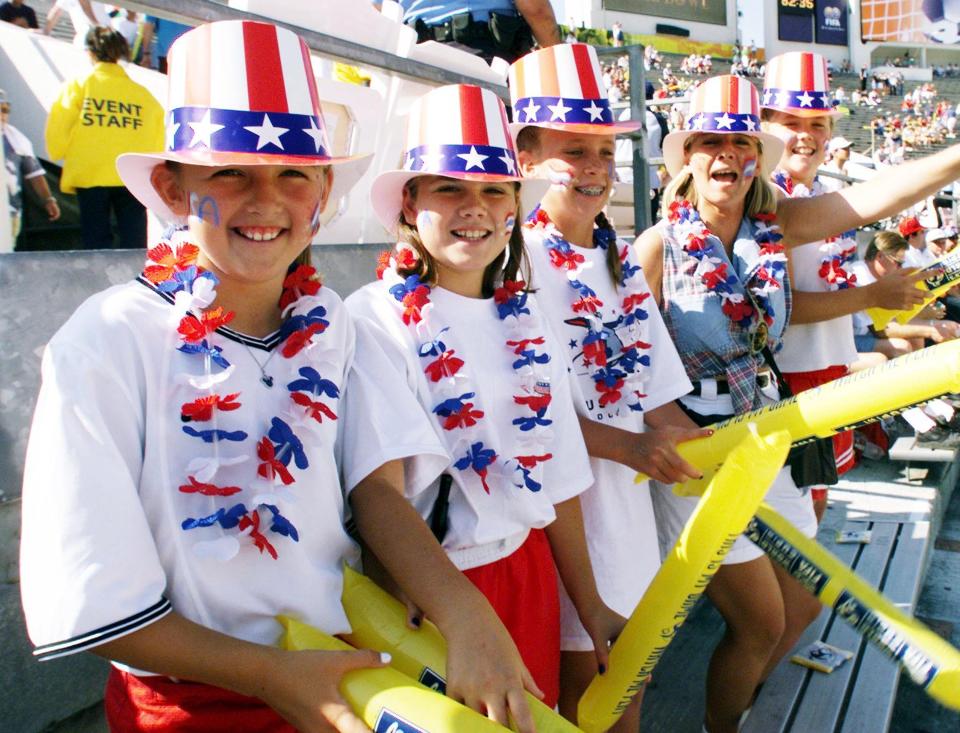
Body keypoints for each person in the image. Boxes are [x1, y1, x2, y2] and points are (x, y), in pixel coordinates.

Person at [21, 20, 547, 733]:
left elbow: (378, 490)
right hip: (191, 706)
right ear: (174, 189)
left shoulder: (333, 325)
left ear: (324, 191)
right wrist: (272, 675)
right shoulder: (106, 340)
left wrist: (465, 612)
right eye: (229, 170)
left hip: (338, 683)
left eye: (293, 173)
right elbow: (97, 604)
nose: (266, 199)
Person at [634, 73, 960, 733]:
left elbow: (871, 199)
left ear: (757, 153)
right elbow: (623, 362)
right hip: (694, 459)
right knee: (760, 623)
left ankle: (739, 707)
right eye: (709, 141)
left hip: (764, 441)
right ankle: (719, 727)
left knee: (803, 609)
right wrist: (659, 423)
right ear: (686, 155)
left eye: (740, 141)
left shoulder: (775, 222)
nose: (726, 153)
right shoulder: (655, 248)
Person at [347, 83, 626, 713]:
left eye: (494, 190)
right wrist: (447, 615)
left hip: (527, 575)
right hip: (430, 590)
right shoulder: (371, 319)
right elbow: (379, 497)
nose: (474, 206)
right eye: (449, 187)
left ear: (513, 210)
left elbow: (557, 481)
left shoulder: (527, 321)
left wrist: (590, 605)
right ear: (409, 203)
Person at [509, 43, 709, 730]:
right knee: (585, 698)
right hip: (569, 520)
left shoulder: (613, 253)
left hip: (627, 518)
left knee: (631, 682)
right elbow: (526, 417)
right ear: (526, 161)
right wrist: (629, 448)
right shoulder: (512, 264)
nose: (597, 168)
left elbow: (657, 397)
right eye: (576, 151)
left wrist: (710, 444)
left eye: (606, 151)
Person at [760, 52, 925, 520]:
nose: (806, 135)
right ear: (764, 125)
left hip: (829, 369)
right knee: (793, 518)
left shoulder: (815, 194)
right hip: (787, 380)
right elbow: (782, 308)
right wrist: (874, 296)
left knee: (815, 504)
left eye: (817, 123)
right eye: (790, 121)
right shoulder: (767, 197)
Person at [45, 27, 163, 249]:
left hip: (90, 174)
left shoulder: (78, 86)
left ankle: (99, 282)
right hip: (131, 176)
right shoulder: (143, 95)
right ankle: (135, 281)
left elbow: (59, 126)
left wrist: (57, 151)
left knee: (96, 240)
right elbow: (157, 135)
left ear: (90, 52)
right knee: (134, 241)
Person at [398, 0, 560, 63]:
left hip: (408, 59)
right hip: (480, 60)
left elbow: (379, 12)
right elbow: (536, 11)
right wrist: (558, 59)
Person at [1, 88, 60, 241]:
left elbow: (34, 173)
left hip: (9, 213)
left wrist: (48, 199)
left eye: (5, 110)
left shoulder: (16, 138)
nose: (2, 115)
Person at [42, 0, 109, 46]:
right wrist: (96, 25)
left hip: (84, 37)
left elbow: (56, 12)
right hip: (98, 35)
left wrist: (46, 31)